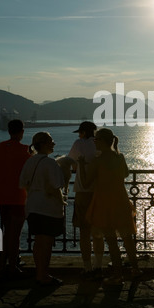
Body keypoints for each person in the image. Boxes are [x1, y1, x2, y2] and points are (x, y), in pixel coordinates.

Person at [79, 128, 140, 285]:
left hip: (105, 203)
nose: (94, 142)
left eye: (96, 140)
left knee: (111, 241)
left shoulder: (97, 161)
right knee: (127, 238)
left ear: (102, 141)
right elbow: (125, 174)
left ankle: (118, 276)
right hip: (121, 200)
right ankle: (135, 269)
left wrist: (81, 166)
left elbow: (86, 183)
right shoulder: (120, 157)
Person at [20, 132, 65, 286]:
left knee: (38, 242)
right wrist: (62, 203)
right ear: (44, 144)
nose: (53, 144)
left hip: (32, 206)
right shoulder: (50, 163)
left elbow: (24, 184)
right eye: (51, 142)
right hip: (47, 208)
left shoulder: (30, 162)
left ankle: (39, 273)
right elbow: (54, 187)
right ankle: (43, 275)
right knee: (46, 242)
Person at [68, 121, 104, 276]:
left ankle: (87, 267)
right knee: (98, 230)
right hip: (100, 191)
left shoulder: (78, 144)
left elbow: (72, 165)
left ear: (82, 133)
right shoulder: (100, 145)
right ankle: (98, 265)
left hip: (83, 191)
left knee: (84, 231)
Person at [0, 119, 32, 279]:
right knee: (15, 234)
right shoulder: (26, 151)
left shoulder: (0, 148)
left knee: (6, 232)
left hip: (2, 196)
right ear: (21, 132)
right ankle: (12, 266)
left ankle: (1, 264)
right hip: (19, 196)